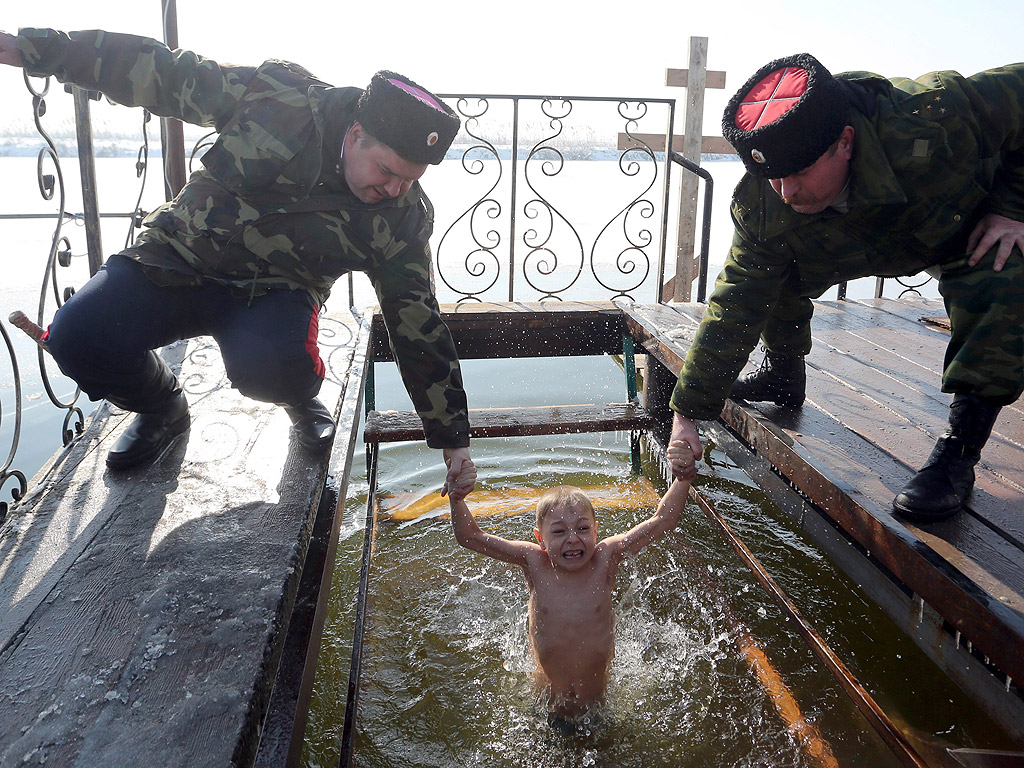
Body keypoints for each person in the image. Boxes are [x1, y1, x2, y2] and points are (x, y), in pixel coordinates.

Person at [0, 27, 473, 491]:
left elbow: (417, 323)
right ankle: (162, 406)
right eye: (387, 171)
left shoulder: (402, 219)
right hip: (174, 259)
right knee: (76, 337)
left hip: (274, 291)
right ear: (355, 133)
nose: (394, 189)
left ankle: (299, 400)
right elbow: (162, 73)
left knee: (278, 371)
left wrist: (452, 439)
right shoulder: (276, 99)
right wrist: (44, 50)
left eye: (410, 179)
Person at [669, 53, 1024, 522]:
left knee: (1002, 272)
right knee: (772, 272)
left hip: (966, 221)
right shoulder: (765, 199)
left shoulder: (933, 115)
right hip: (870, 240)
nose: (786, 191)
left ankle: (959, 453)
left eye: (798, 172)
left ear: (845, 142)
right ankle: (784, 372)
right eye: (774, 175)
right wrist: (688, 412)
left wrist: (1013, 206)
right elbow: (737, 300)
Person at [446, 440, 697, 717]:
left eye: (582, 528)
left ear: (596, 530)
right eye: (559, 532)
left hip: (597, 704)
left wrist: (682, 480)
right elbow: (470, 537)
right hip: (547, 704)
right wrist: (457, 500)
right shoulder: (534, 562)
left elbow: (662, 520)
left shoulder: (606, 558)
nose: (573, 538)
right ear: (540, 539)